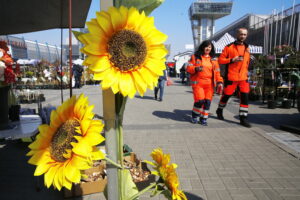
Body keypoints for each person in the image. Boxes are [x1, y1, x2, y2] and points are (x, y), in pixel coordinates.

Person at [216, 28, 251, 128]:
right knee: (226, 96)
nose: (243, 36)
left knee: (245, 98)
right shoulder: (229, 47)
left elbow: (247, 62)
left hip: (243, 78)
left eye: (244, 34)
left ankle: (243, 118)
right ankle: (219, 110)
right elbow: (220, 60)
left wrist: (247, 72)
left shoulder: (247, 47)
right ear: (237, 34)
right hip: (231, 78)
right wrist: (232, 60)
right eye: (241, 34)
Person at [187, 40, 223, 126]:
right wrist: (195, 69)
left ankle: (203, 119)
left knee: (207, 102)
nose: (208, 48)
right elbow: (189, 68)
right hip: (198, 83)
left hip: (210, 84)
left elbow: (217, 72)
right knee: (200, 100)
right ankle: (195, 116)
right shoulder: (195, 57)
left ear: (211, 48)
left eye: (210, 47)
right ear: (203, 47)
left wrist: (220, 81)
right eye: (206, 46)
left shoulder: (214, 59)